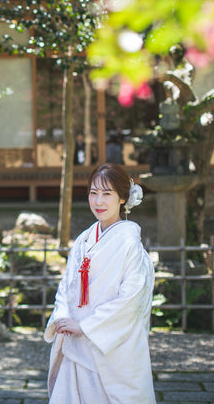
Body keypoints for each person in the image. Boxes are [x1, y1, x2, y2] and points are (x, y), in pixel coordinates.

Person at [44, 163, 155, 403]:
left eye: (107, 194)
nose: (98, 201)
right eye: (93, 193)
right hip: (75, 340)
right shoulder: (84, 239)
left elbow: (131, 301)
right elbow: (67, 286)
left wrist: (86, 327)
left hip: (106, 344)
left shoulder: (129, 244)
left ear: (122, 198)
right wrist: (64, 317)